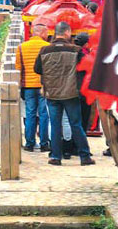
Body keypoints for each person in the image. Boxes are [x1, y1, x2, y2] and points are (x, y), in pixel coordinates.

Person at [34, 22, 95, 166]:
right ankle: (84, 156)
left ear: (55, 33)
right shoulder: (75, 50)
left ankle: (56, 156)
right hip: (71, 92)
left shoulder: (44, 50)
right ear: (67, 32)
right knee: (76, 124)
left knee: (55, 125)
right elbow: (85, 67)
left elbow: (37, 69)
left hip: (52, 93)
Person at [16, 24, 50, 152]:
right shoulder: (47, 47)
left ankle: (29, 143)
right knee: (43, 114)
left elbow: (18, 68)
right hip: (43, 86)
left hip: (28, 86)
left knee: (30, 114)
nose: (47, 35)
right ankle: (44, 143)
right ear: (41, 33)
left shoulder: (21, 47)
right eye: (46, 32)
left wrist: (20, 86)